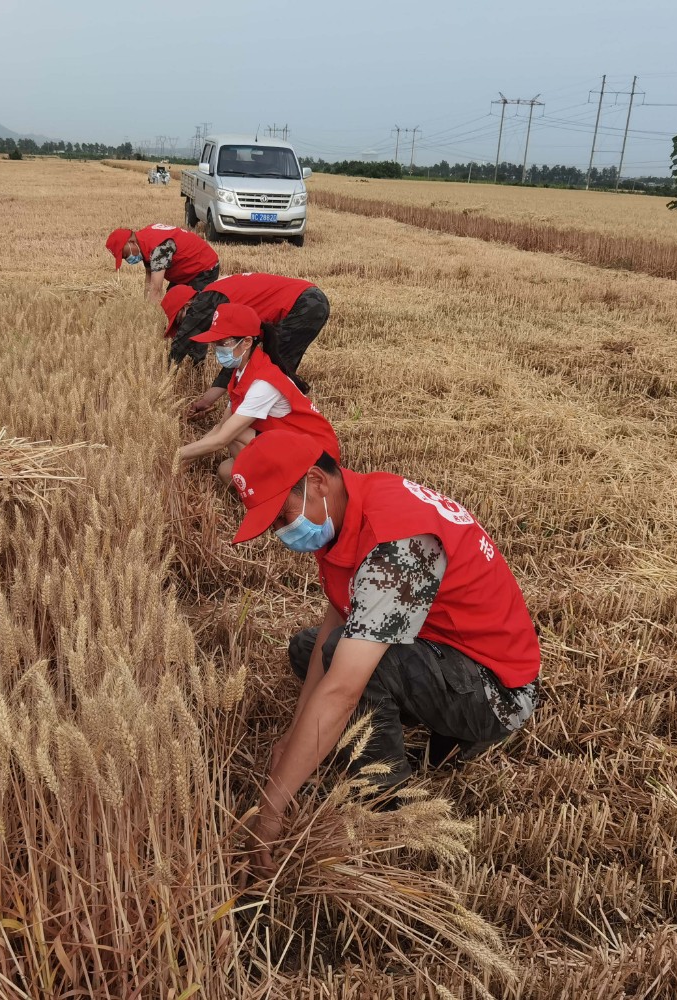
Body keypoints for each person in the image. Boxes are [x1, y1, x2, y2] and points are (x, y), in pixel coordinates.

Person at [227, 430, 541, 876]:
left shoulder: (397, 539)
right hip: (442, 652)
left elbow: (342, 690)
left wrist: (273, 805)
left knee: (346, 667)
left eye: (281, 517)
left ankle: (386, 802)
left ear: (316, 481)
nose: (282, 534)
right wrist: (293, 737)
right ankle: (420, 732)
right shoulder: (345, 510)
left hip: (495, 692)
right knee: (308, 648)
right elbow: (337, 619)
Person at [174, 305, 339, 483]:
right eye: (215, 344)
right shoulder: (242, 373)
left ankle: (288, 491)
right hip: (292, 447)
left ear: (246, 342)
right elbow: (219, 427)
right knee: (227, 472)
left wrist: (176, 455)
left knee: (235, 433)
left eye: (223, 343)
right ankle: (275, 487)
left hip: (318, 459)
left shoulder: (263, 383)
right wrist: (184, 463)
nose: (217, 349)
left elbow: (222, 438)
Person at [161, 273, 330, 417]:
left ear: (188, 305)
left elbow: (181, 342)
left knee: (274, 370)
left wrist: (162, 378)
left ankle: (279, 415)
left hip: (304, 304)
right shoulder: (218, 299)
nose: (183, 325)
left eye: (179, 320)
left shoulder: (207, 300)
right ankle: (281, 408)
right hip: (308, 301)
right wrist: (207, 401)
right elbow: (238, 358)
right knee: (278, 366)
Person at [105, 224, 220, 301]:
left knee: (189, 310)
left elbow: (156, 288)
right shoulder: (144, 240)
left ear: (131, 242)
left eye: (125, 255)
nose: (128, 259)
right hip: (185, 272)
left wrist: (150, 317)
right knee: (171, 302)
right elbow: (149, 278)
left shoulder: (158, 248)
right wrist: (145, 304)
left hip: (203, 269)